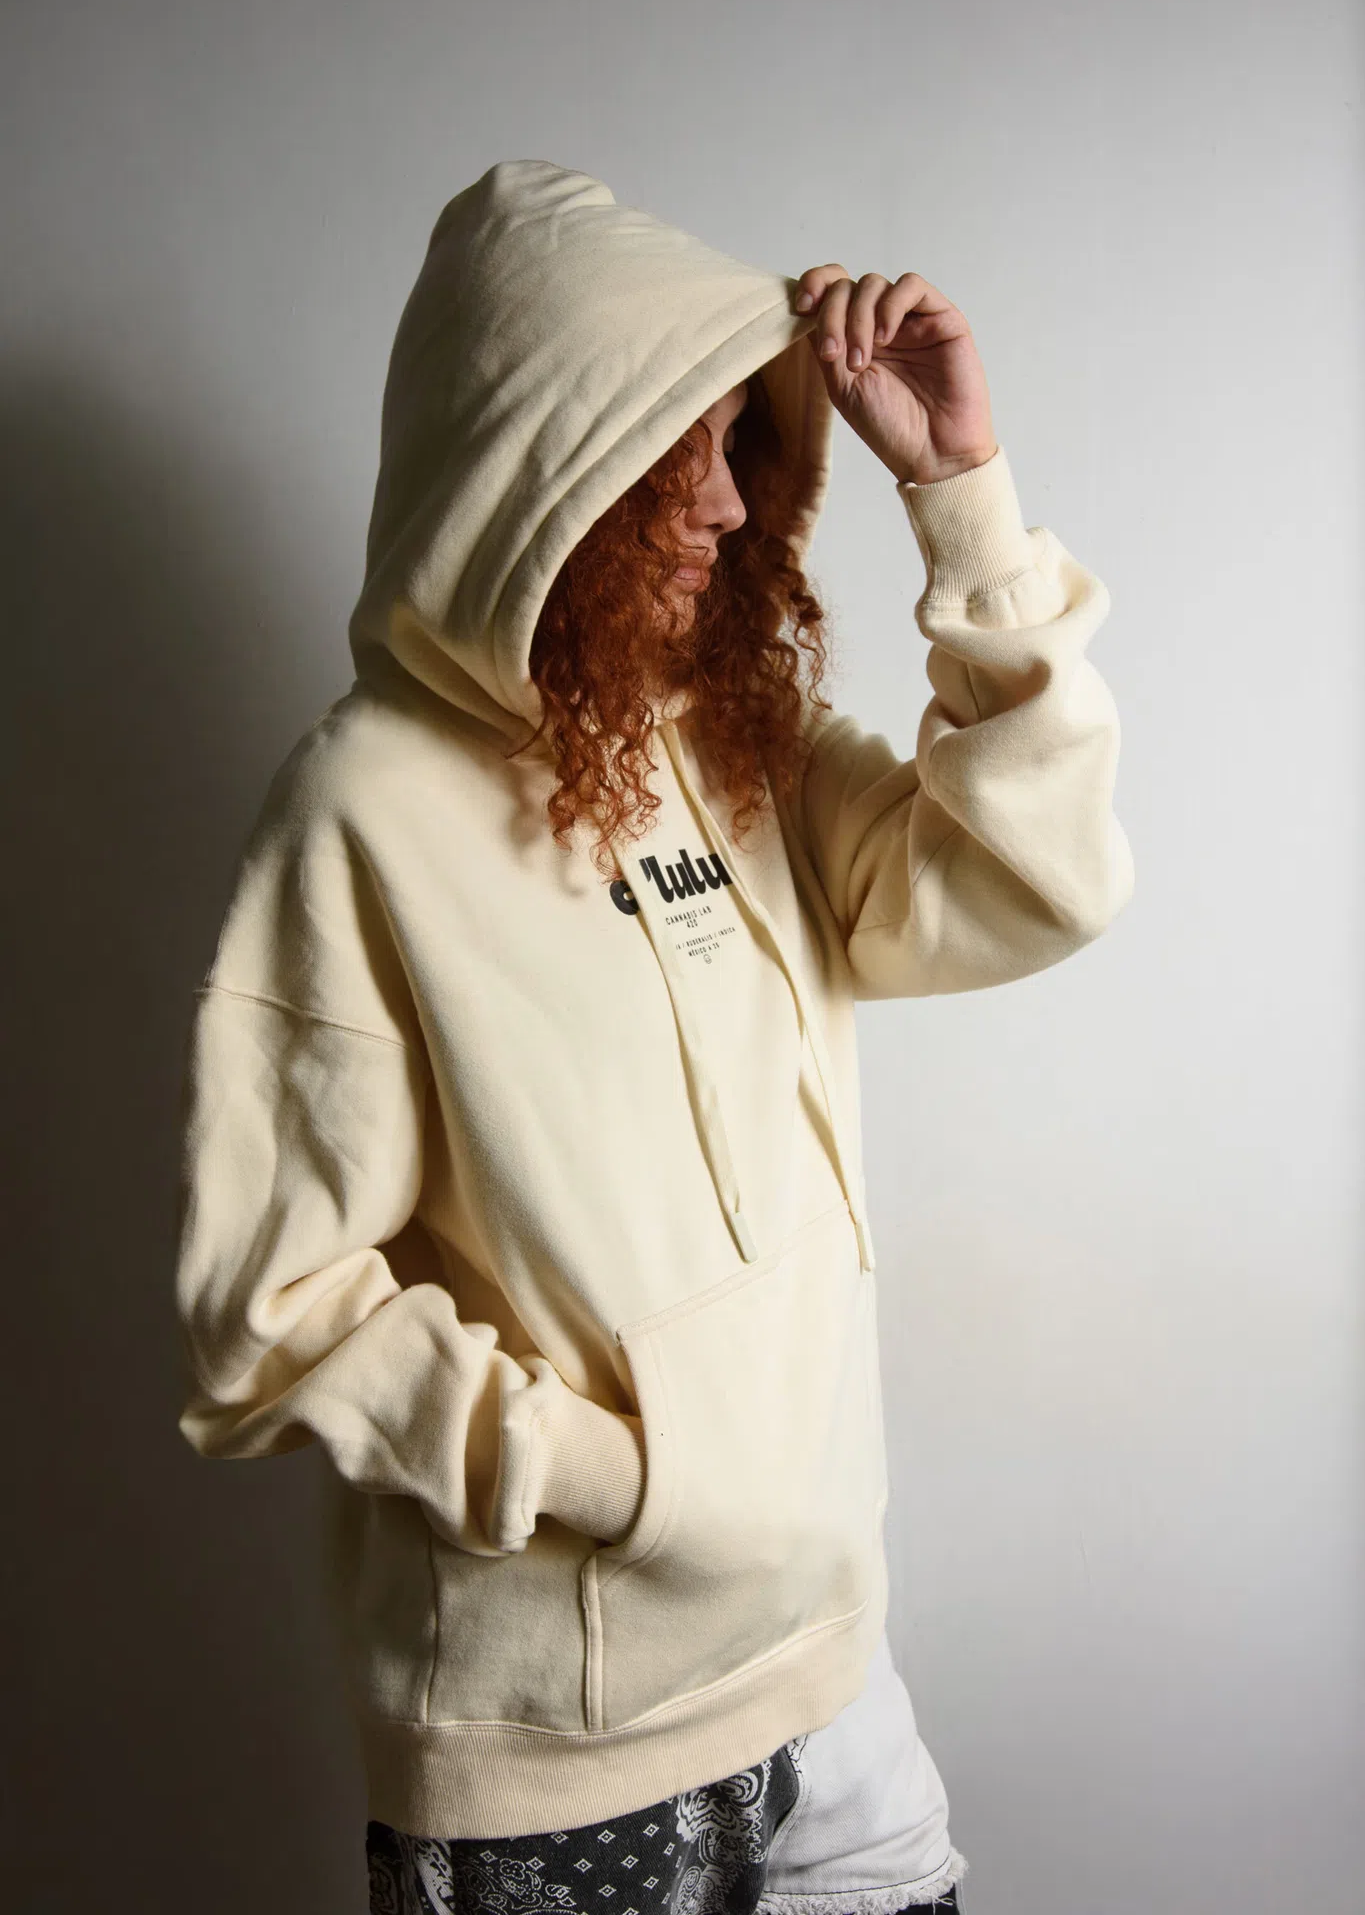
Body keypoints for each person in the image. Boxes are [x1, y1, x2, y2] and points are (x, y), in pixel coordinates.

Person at [172, 159, 1134, 1913]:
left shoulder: (733, 740)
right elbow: (268, 1309)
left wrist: (962, 497)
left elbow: (1034, 883)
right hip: (555, 1739)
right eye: (669, 452)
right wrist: (620, 1476)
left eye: (739, 441)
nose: (726, 503)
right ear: (533, 470)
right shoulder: (358, 813)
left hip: (829, 1666)